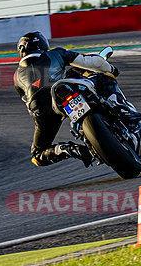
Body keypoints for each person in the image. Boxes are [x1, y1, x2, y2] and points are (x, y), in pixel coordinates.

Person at [14, 31, 122, 167]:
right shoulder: (55, 54)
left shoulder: (16, 76)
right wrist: (111, 69)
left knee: (37, 155)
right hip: (64, 92)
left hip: (42, 110)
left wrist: (40, 117)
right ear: (42, 44)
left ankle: (70, 150)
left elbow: (26, 100)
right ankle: (120, 107)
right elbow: (91, 61)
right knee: (104, 77)